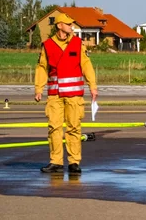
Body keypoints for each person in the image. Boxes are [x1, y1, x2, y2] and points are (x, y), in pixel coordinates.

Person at [34, 12, 98, 174]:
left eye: (71, 24)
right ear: (59, 26)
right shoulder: (47, 45)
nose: (72, 26)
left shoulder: (77, 43)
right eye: (68, 24)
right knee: (54, 128)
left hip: (74, 95)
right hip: (55, 95)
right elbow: (42, 68)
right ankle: (55, 162)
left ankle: (74, 162)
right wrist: (39, 89)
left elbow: (86, 65)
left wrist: (93, 86)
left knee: (74, 128)